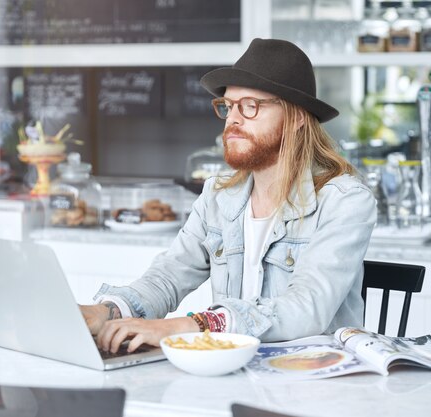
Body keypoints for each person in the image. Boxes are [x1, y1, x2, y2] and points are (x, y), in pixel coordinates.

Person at [82, 38, 377, 353]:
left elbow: (306, 308)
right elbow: (168, 276)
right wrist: (107, 312)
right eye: (228, 106)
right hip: (235, 372)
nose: (233, 120)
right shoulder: (218, 195)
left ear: (297, 117)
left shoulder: (345, 201)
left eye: (250, 105)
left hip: (316, 378)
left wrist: (196, 326)